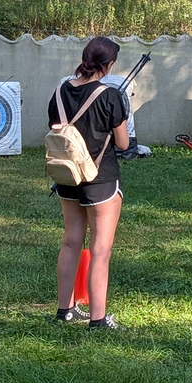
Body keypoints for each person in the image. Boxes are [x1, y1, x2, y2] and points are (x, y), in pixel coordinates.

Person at [49, 37, 130, 330]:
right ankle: (98, 319)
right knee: (100, 249)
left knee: (71, 241)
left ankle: (64, 310)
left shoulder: (60, 91)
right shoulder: (109, 95)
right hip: (101, 179)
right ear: (108, 65)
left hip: (67, 175)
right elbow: (122, 143)